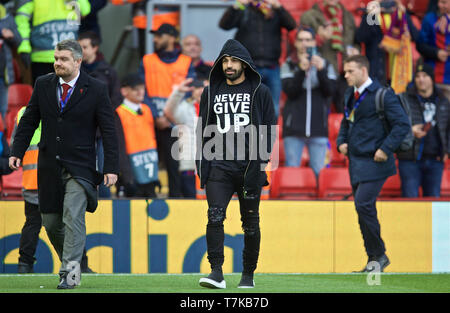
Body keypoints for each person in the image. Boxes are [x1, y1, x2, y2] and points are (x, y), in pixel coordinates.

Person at [9, 39, 118, 289]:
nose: (58, 63)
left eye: (64, 59)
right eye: (56, 59)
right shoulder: (43, 84)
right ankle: (73, 261)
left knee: (72, 215)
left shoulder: (96, 88)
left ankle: (69, 274)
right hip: (48, 165)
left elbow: (109, 131)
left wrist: (111, 166)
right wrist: (18, 150)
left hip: (81, 167)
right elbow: (29, 120)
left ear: (78, 61)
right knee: (50, 222)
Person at [196, 39, 276, 289]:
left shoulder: (260, 91)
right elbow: (203, 129)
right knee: (214, 217)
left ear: (245, 64)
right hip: (219, 166)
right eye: (225, 61)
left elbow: (269, 131)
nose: (228, 66)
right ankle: (216, 272)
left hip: (249, 169)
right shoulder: (210, 92)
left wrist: (259, 165)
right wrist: (204, 166)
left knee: (250, 224)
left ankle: (247, 276)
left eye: (233, 61)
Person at [337, 55, 410, 272]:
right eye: (345, 71)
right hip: (356, 162)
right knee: (363, 210)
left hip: (376, 162)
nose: (346, 75)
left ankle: (379, 255)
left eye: (350, 71)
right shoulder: (351, 93)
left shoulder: (384, 95)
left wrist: (385, 149)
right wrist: (341, 141)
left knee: (363, 205)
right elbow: (345, 121)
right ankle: (373, 261)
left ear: (363, 70)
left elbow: (402, 125)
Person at [11, 106, 94, 273]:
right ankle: (81, 265)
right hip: (56, 178)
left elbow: (17, 141)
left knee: (33, 224)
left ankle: (24, 264)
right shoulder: (61, 109)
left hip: (31, 179)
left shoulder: (22, 112)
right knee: (72, 222)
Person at [139, 23, 195, 198]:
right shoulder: (147, 60)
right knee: (146, 163)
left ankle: (175, 202)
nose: (155, 40)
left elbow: (189, 94)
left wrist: (168, 119)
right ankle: (145, 198)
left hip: (174, 125)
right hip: (150, 122)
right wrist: (157, 117)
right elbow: (142, 91)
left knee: (174, 167)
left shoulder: (186, 62)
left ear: (172, 38)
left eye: (159, 36)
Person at [219, 0, 296, 118]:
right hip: (249, 67)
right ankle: (247, 136)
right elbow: (224, 25)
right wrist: (238, 5)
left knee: (273, 109)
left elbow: (291, 25)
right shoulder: (244, 9)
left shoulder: (274, 11)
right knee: (245, 108)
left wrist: (279, 7)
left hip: (272, 67)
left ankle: (267, 136)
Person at [281, 26, 337, 179]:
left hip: (319, 128)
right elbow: (290, 92)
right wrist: (300, 70)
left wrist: (321, 71)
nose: (304, 43)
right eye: (301, 40)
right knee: (292, 173)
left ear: (314, 42)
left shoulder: (325, 64)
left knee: (320, 173)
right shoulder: (289, 64)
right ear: (296, 43)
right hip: (293, 130)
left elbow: (330, 91)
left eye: (308, 40)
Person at [78, 30, 122, 198]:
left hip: (102, 130)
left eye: (84, 47)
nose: (81, 50)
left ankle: (105, 202)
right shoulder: (75, 71)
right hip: (81, 130)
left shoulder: (108, 72)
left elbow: (116, 99)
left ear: (95, 48)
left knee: (105, 168)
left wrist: (100, 115)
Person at [397, 62, 450, 197]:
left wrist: (447, 151)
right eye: (418, 76)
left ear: (432, 78)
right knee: (410, 204)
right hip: (409, 160)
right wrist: (410, 131)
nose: (421, 79)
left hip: (435, 160)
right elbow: (393, 125)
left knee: (434, 203)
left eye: (425, 76)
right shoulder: (404, 99)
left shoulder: (443, 100)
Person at [300, 0, 359, 112]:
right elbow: (301, 43)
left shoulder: (347, 15)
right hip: (323, 73)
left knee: (349, 115)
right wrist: (320, 38)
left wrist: (356, 50)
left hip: (345, 74)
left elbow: (355, 41)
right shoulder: (309, 16)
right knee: (321, 114)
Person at [14, 0, 91, 84]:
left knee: (71, 95)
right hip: (42, 58)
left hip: (69, 57)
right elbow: (21, 20)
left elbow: (85, 10)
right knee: (44, 95)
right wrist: (24, 47)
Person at [355, 0, 419, 94]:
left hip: (398, 71)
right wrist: (370, 15)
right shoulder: (373, 15)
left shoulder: (401, 14)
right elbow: (361, 37)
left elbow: (416, 37)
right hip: (377, 72)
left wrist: (405, 16)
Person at [115, 73, 159, 198]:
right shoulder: (119, 113)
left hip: (149, 168)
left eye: (142, 88)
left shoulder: (147, 109)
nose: (140, 92)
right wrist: (127, 176)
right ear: (124, 91)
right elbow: (119, 147)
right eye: (135, 89)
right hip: (131, 172)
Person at [164, 77, 207, 198]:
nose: (200, 91)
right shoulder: (185, 108)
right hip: (189, 164)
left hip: (210, 164)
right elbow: (168, 111)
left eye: (203, 88)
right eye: (197, 88)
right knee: (191, 200)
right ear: (192, 91)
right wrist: (178, 92)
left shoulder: (216, 108)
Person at [416, 0, 450, 100]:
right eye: (439, 2)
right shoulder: (430, 18)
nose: (439, 5)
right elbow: (420, 45)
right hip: (432, 78)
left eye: (444, 2)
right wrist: (436, 53)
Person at [0, 3, 21, 119]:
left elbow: (19, 40)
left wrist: (11, 36)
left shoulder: (7, 18)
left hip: (3, 76)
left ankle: (2, 136)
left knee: (3, 110)